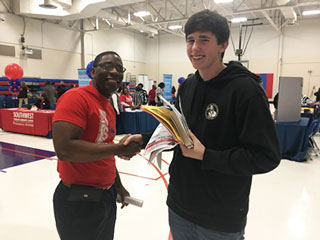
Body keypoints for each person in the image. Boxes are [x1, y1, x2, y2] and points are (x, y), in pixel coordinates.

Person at [123, 10, 280, 240]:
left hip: (220, 217)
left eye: (204, 40)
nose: (195, 47)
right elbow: (180, 131)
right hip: (180, 206)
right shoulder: (188, 87)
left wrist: (207, 156)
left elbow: (266, 156)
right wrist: (144, 139)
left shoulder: (246, 91)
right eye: (190, 40)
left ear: (222, 44)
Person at [52, 51, 141, 240]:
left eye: (119, 68)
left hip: (105, 197)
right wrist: (119, 149)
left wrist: (118, 186)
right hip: (78, 200)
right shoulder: (76, 98)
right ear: (93, 71)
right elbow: (65, 149)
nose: (115, 72)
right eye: (108, 66)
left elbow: (104, 148)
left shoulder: (107, 105)